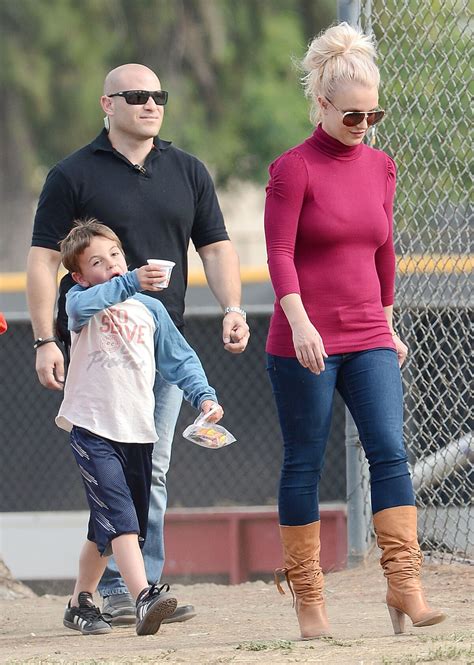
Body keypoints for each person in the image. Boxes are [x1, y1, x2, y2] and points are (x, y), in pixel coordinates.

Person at [26, 63, 249, 625]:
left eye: (159, 95)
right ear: (107, 104)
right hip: (99, 353)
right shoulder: (72, 173)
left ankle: (130, 589)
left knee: (151, 469)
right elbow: (44, 260)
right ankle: (131, 590)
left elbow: (217, 248)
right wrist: (44, 340)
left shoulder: (188, 170)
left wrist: (232, 308)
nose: (151, 104)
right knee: (119, 476)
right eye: (137, 95)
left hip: (158, 341)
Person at [264, 22, 446, 639]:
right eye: (352, 114)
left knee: (390, 451)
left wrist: (388, 324)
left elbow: (384, 251)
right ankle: (308, 597)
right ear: (322, 104)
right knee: (305, 463)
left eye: (374, 113)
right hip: (305, 339)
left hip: (368, 331)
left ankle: (405, 584)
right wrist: (299, 321)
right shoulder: (293, 169)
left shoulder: (382, 166)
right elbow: (280, 253)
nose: (364, 123)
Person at [57, 219, 224, 636]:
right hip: (93, 428)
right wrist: (131, 280)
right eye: (97, 262)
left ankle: (80, 602)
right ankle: (144, 594)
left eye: (115, 255)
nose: (110, 264)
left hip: (137, 432)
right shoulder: (81, 302)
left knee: (105, 527)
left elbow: (179, 359)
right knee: (121, 517)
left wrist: (204, 397)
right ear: (79, 276)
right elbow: (77, 309)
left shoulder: (150, 309)